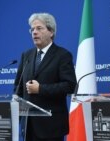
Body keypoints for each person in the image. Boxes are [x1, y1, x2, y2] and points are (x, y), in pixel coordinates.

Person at [14, 12, 77, 141]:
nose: (34, 32)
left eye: (39, 28)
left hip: (51, 126)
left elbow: (69, 86)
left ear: (51, 32)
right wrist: (16, 115)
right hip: (28, 126)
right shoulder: (26, 55)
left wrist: (40, 89)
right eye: (32, 29)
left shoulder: (62, 55)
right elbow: (18, 87)